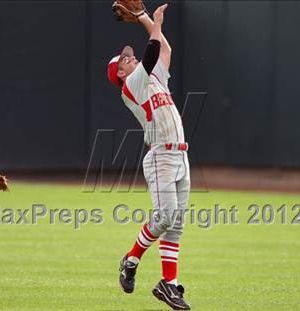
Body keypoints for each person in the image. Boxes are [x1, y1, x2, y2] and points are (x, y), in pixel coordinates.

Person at [107, 4, 191, 310]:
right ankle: (131, 260)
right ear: (120, 74)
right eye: (123, 61)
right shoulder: (132, 85)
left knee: (176, 224)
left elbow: (163, 47)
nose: (129, 59)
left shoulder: (154, 78)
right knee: (166, 216)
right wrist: (153, 21)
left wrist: (144, 17)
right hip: (160, 157)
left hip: (180, 156)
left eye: (130, 57)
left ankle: (169, 285)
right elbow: (153, 50)